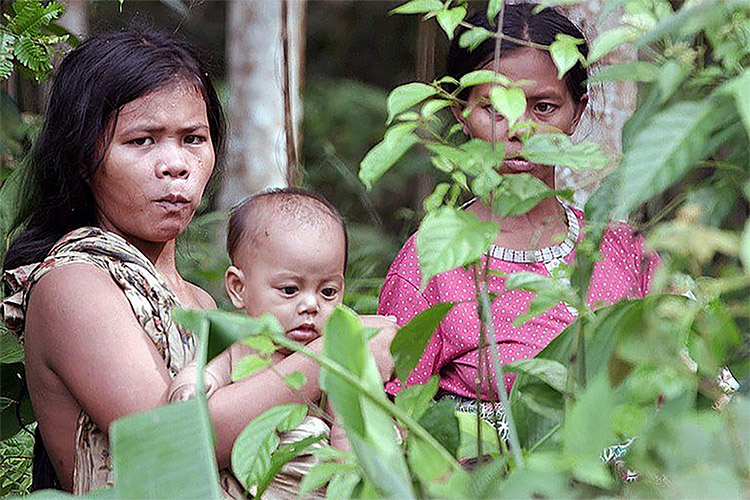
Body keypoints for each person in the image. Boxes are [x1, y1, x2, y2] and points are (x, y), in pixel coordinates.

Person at [0, 30, 396, 495]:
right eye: (142, 141)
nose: (176, 164)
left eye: (193, 139)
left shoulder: (197, 298)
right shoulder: (74, 282)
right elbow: (168, 446)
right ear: (85, 157)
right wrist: (338, 356)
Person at [378, 4, 660, 437]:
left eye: (544, 107)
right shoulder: (431, 262)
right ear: (459, 112)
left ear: (577, 112)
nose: (519, 130)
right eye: (495, 109)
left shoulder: (623, 250)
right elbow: (395, 415)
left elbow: (682, 386)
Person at [169, 188, 375, 498]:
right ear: (239, 288)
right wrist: (187, 387)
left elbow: (347, 434)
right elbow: (206, 372)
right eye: (290, 290)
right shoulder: (240, 345)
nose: (311, 305)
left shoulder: (334, 362)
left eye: (328, 292)